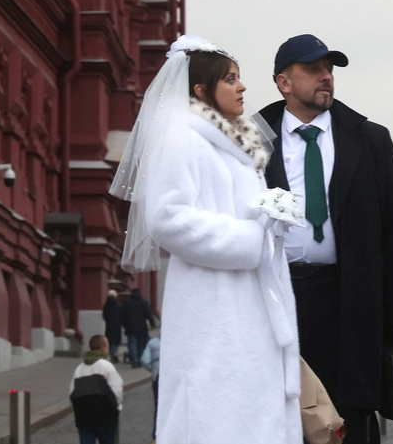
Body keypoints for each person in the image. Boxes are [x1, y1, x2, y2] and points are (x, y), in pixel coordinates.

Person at [108, 35, 304, 443]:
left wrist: (272, 216)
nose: (242, 87)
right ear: (201, 90)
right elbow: (167, 218)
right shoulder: (181, 138)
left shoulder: (233, 147)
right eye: (230, 79)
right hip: (213, 309)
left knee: (246, 412)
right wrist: (250, 238)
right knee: (216, 414)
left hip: (249, 305)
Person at [260, 34, 393, 444]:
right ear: (284, 83)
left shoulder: (370, 139)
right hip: (277, 301)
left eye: (329, 69)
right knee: (277, 418)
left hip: (349, 305)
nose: (326, 77)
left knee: (349, 424)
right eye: (313, 69)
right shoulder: (253, 140)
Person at [69, 334, 124, 444]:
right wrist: (117, 408)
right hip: (105, 416)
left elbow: (71, 392)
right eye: (107, 345)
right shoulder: (106, 366)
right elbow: (117, 389)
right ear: (103, 348)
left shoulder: (79, 369)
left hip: (83, 417)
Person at [122, 287, 157, 368]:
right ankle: (140, 360)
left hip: (130, 327)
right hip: (141, 327)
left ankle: (134, 360)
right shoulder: (144, 302)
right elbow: (149, 314)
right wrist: (152, 324)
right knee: (140, 345)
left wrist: (124, 325)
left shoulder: (127, 303)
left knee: (132, 344)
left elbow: (123, 316)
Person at [139, 328, 161, 442]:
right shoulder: (176, 343)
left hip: (157, 375)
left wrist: (153, 369)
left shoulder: (152, 343)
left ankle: (156, 435)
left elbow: (144, 360)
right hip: (171, 377)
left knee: (158, 405)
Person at [101, 289, 123, 363]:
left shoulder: (106, 305)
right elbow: (122, 315)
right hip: (117, 325)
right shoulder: (119, 305)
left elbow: (104, 315)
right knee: (117, 340)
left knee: (110, 340)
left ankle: (111, 354)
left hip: (109, 325)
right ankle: (115, 353)